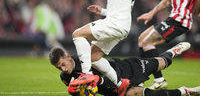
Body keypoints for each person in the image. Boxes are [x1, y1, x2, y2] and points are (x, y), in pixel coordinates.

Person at [72, 0, 143, 96]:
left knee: (77, 34)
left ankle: (87, 75)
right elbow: (119, 7)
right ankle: (120, 84)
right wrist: (103, 11)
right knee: (93, 58)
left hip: (116, 24)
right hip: (118, 23)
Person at [137, 0, 200, 89]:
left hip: (180, 20)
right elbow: (167, 0)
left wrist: (196, 12)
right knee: (141, 39)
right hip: (172, 18)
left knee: (147, 42)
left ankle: (159, 80)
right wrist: (151, 13)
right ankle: (140, 79)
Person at [49, 42, 200, 96]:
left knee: (162, 63)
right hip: (114, 90)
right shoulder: (65, 78)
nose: (64, 69)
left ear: (68, 56)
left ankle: (172, 52)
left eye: (63, 64)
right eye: (59, 68)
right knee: (138, 94)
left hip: (123, 69)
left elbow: (105, 73)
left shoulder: (85, 58)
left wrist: (98, 80)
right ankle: (185, 91)